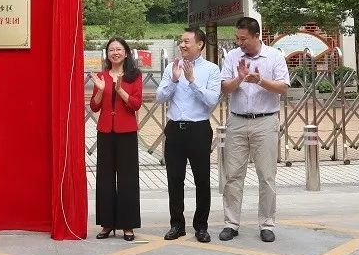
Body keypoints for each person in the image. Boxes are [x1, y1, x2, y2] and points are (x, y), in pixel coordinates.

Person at [219, 17, 290, 243]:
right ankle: (231, 223)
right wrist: (239, 78)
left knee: (267, 176)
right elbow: (225, 88)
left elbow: (283, 87)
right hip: (237, 121)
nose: (240, 43)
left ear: (257, 36)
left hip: (265, 121)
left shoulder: (275, 56)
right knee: (232, 175)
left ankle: (267, 224)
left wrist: (260, 80)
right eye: (237, 39)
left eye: (244, 39)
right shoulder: (232, 57)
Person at [155, 28, 221, 243]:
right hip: (175, 129)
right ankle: (177, 225)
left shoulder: (211, 69)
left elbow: (212, 100)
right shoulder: (172, 68)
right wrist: (174, 80)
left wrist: (192, 81)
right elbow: (159, 97)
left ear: (200, 44)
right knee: (175, 180)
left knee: (202, 180)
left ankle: (201, 226)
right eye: (180, 41)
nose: (182, 45)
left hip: (199, 129)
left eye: (186, 41)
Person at [89, 38, 143, 241]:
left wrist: (120, 90)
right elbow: (94, 107)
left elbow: (136, 104)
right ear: (107, 54)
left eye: (119, 49)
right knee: (105, 179)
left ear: (126, 53)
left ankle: (127, 225)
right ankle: (107, 224)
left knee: (128, 179)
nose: (115, 53)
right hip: (105, 131)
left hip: (126, 132)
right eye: (111, 50)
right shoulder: (101, 76)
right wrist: (101, 90)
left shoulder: (133, 76)